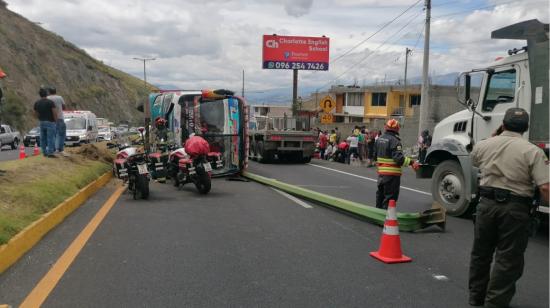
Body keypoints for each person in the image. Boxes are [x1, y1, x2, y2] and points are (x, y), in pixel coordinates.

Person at [468, 108, 549, 308]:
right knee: (508, 259)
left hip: (486, 205)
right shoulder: (533, 151)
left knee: (481, 253)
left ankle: (476, 298)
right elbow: (545, 186)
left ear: (502, 124)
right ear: (526, 128)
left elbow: (475, 159)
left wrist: (495, 136)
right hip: (515, 209)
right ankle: (494, 303)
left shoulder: (485, 145)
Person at [373, 119, 418, 209]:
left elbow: (374, 156)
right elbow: (399, 159)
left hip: (381, 174)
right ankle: (387, 219)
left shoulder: (379, 139)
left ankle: (377, 215)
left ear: (386, 127)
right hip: (392, 176)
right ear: (397, 129)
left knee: (380, 196)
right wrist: (412, 162)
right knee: (390, 198)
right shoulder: (395, 141)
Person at [33, 88, 57, 157]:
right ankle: (50, 152)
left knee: (43, 138)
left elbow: (35, 114)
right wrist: (56, 121)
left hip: (42, 122)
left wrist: (40, 118)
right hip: (50, 122)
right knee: (50, 138)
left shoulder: (37, 103)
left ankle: (44, 152)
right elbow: (54, 113)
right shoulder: (50, 102)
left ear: (40, 95)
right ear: (46, 94)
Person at [47, 87, 67, 156]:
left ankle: (52, 149)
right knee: (61, 134)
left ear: (49, 92)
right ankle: (59, 149)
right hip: (60, 118)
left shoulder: (47, 98)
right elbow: (64, 107)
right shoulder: (60, 97)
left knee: (52, 134)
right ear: (55, 91)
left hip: (50, 119)